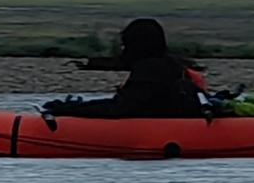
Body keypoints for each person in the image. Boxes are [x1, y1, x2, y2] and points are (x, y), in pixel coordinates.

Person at [43, 17, 206, 120]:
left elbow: (119, 108)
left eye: (125, 44)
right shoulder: (169, 65)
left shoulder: (150, 69)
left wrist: (67, 109)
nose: (123, 49)